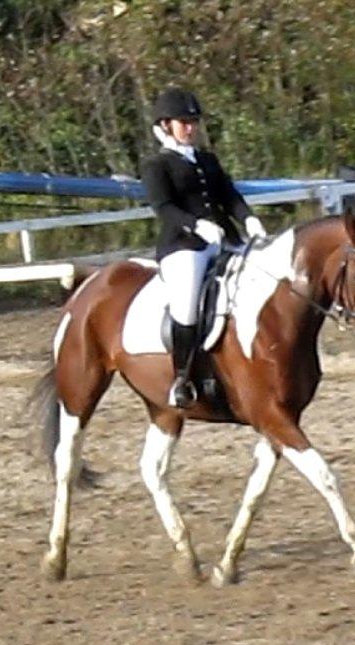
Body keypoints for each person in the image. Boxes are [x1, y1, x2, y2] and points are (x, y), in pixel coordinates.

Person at [140, 87, 267, 408]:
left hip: (226, 240)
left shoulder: (207, 160)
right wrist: (196, 225)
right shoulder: (157, 165)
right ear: (166, 125)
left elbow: (229, 195)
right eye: (185, 122)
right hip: (184, 247)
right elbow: (163, 207)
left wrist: (248, 219)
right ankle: (182, 378)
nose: (191, 128)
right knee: (186, 302)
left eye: (194, 122)